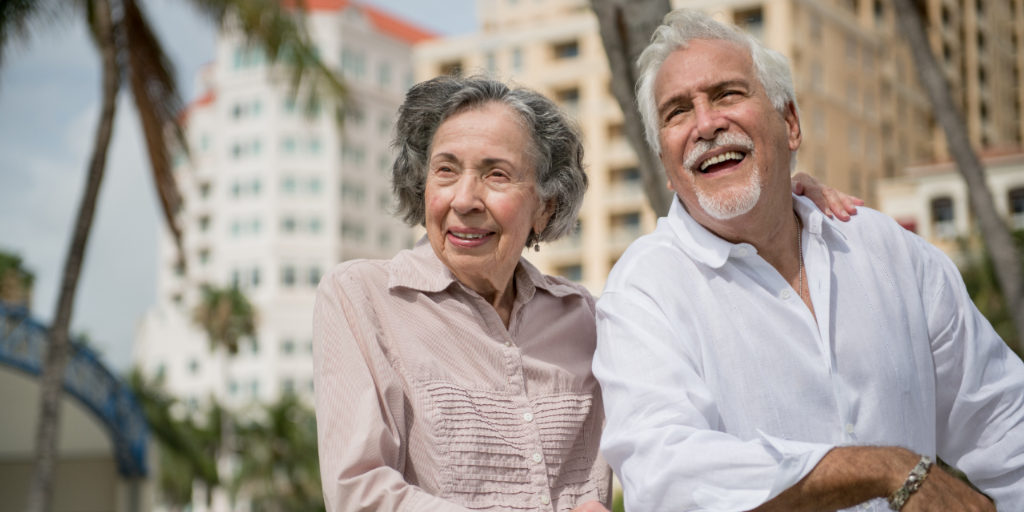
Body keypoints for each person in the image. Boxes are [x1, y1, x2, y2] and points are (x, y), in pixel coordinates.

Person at [312, 75, 855, 511]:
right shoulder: (361, 297)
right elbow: (360, 494)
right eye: (445, 171)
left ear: (545, 206)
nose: (464, 199)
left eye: (496, 175)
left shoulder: (589, 318)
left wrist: (782, 204)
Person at [592, 9, 1024, 512]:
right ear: (666, 166)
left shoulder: (887, 249)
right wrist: (883, 470)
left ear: (790, 123)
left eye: (728, 94)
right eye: (677, 112)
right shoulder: (644, 291)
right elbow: (672, 479)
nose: (706, 124)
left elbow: (1003, 423)